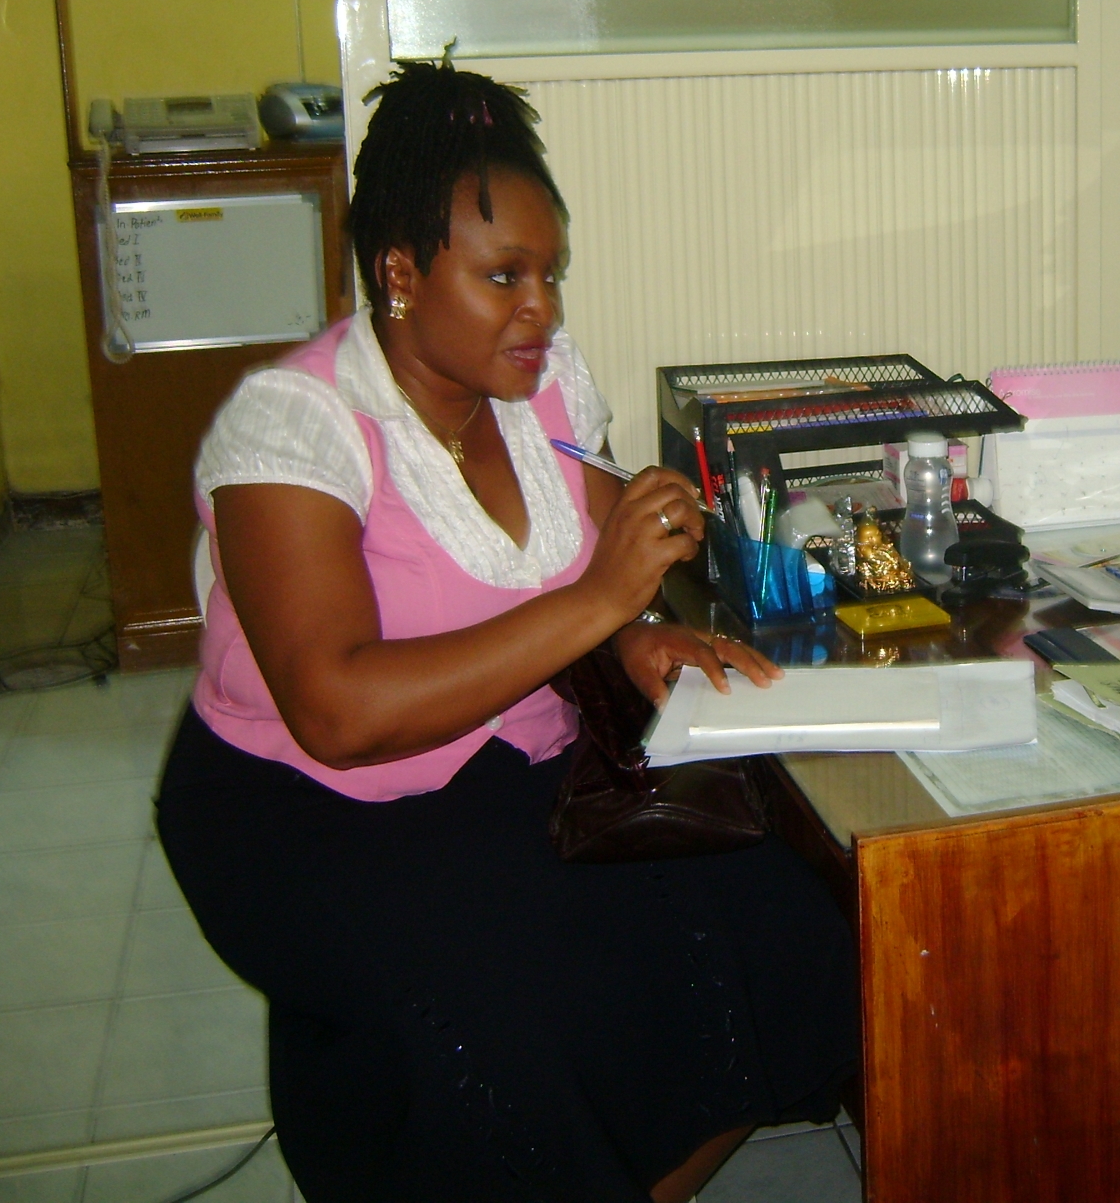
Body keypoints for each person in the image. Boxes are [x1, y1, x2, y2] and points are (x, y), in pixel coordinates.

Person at [156, 61, 858, 1203]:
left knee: (774, 919)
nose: (545, 309)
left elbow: (570, 559)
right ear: (399, 273)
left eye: (552, 274)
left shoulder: (539, 392)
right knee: (506, 1019)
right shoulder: (294, 430)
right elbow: (336, 712)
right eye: (505, 277)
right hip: (300, 811)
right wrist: (598, 605)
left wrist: (631, 641)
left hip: (503, 761)